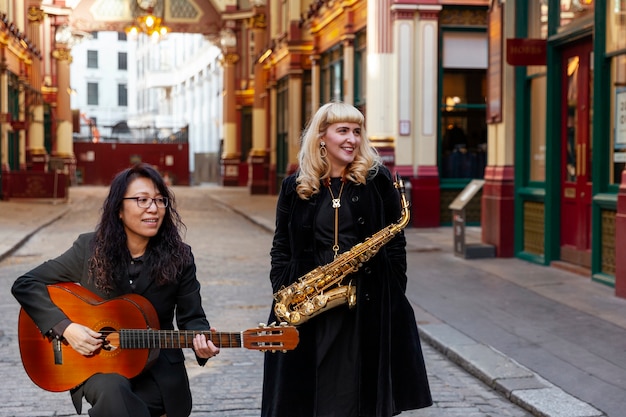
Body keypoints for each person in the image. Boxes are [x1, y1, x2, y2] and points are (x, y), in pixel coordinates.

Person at [261, 101, 432, 416]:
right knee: (308, 394)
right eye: (343, 131)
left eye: (357, 131)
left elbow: (395, 243)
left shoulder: (377, 180)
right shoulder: (295, 185)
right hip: (309, 303)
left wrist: (392, 290)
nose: (352, 139)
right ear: (322, 137)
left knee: (356, 395)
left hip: (364, 303)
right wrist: (284, 288)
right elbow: (281, 244)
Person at [12, 163, 219, 417]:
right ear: (119, 209)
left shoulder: (180, 256)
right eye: (142, 200)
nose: (153, 208)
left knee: (118, 408)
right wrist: (66, 327)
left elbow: (193, 318)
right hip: (99, 367)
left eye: (159, 200)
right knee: (113, 393)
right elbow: (26, 284)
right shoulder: (89, 248)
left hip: (158, 369)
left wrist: (202, 342)